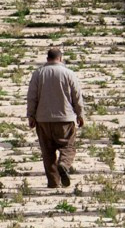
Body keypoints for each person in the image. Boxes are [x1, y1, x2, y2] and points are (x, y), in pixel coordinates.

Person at [25, 46, 87, 189]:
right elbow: (76, 96)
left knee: (47, 153)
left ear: (47, 59)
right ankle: (64, 164)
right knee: (68, 147)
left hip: (43, 119)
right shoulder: (69, 73)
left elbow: (31, 97)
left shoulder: (38, 74)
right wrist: (80, 114)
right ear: (60, 58)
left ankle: (53, 182)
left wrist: (31, 115)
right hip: (65, 118)